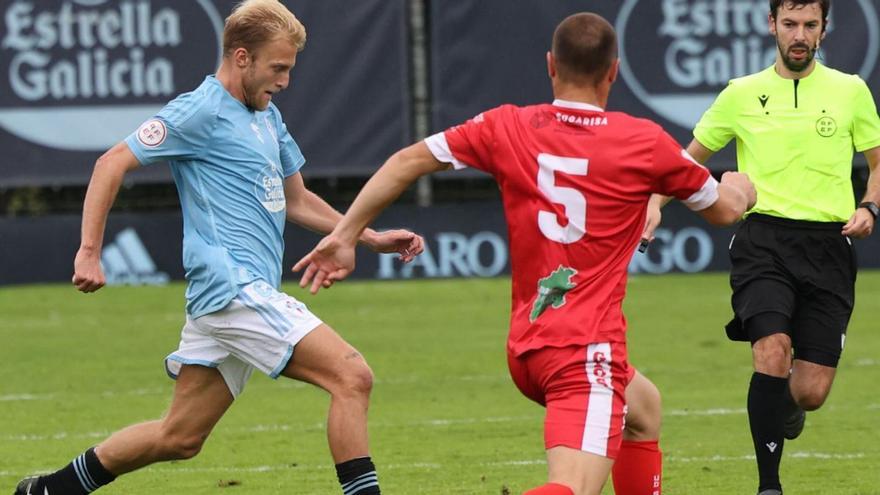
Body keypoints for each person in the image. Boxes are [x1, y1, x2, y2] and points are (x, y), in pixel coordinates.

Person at [294, 13, 756, 495]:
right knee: (572, 489)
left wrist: (347, 234)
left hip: (529, 347)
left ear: (551, 66)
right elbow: (724, 211)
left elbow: (406, 161)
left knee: (644, 409)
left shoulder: (508, 125)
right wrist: (742, 188)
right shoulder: (642, 141)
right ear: (614, 71)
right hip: (584, 350)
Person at [13, 1, 424, 494]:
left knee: (179, 436)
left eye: (290, 69)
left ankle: (47, 490)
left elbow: (296, 199)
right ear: (242, 57)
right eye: (279, 68)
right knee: (352, 376)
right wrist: (88, 251)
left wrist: (367, 236)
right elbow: (110, 163)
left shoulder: (268, 116)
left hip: (231, 300)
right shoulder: (199, 110)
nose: (286, 81)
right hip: (233, 290)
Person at [643, 1, 880, 494]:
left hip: (829, 245)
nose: (799, 35)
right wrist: (655, 204)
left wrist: (870, 206)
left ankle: (788, 406)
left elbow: (877, 163)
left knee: (811, 392)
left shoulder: (850, 91)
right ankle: (768, 486)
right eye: (790, 24)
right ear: (771, 24)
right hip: (763, 241)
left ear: (823, 29)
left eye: (809, 25)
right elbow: (689, 161)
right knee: (771, 351)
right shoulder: (741, 95)